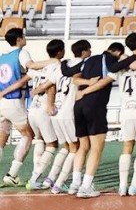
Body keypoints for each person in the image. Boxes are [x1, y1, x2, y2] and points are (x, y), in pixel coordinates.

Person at [62, 41, 126, 198]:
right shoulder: (111, 60)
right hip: (95, 105)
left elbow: (74, 78)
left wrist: (84, 86)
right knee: (97, 147)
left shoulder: (88, 60)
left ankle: (75, 184)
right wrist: (88, 90)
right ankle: (86, 186)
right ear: (118, 52)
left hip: (78, 105)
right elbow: (104, 81)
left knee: (83, 146)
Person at [105, 33, 136, 197]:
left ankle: (122, 186)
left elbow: (106, 78)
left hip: (126, 111)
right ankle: (135, 185)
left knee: (127, 147)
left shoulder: (120, 65)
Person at [23, 40, 64, 192]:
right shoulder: (57, 66)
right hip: (43, 109)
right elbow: (51, 86)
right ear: (60, 52)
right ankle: (35, 177)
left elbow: (30, 70)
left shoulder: (41, 67)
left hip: (33, 108)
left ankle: (36, 175)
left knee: (39, 140)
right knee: (52, 144)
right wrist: (50, 105)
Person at [47, 40, 82, 194]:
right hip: (68, 113)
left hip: (57, 112)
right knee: (76, 148)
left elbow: (50, 86)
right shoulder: (82, 66)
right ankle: (60, 182)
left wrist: (49, 104)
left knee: (67, 147)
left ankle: (51, 178)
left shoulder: (61, 67)